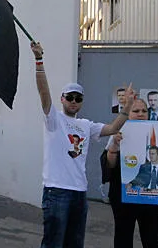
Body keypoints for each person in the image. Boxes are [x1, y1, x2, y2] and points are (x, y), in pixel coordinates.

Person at [31, 41, 136, 248]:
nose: (73, 101)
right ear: (62, 99)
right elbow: (44, 94)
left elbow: (114, 128)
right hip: (56, 191)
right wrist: (39, 60)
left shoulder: (86, 125)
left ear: (82, 101)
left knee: (75, 243)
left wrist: (128, 107)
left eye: (77, 98)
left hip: (79, 192)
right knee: (53, 243)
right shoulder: (54, 119)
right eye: (69, 97)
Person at [101, 98, 158, 248]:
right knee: (123, 239)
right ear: (128, 113)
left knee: (152, 240)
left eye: (144, 111)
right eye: (136, 111)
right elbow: (109, 165)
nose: (140, 114)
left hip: (151, 199)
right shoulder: (118, 132)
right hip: (123, 197)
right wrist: (114, 145)